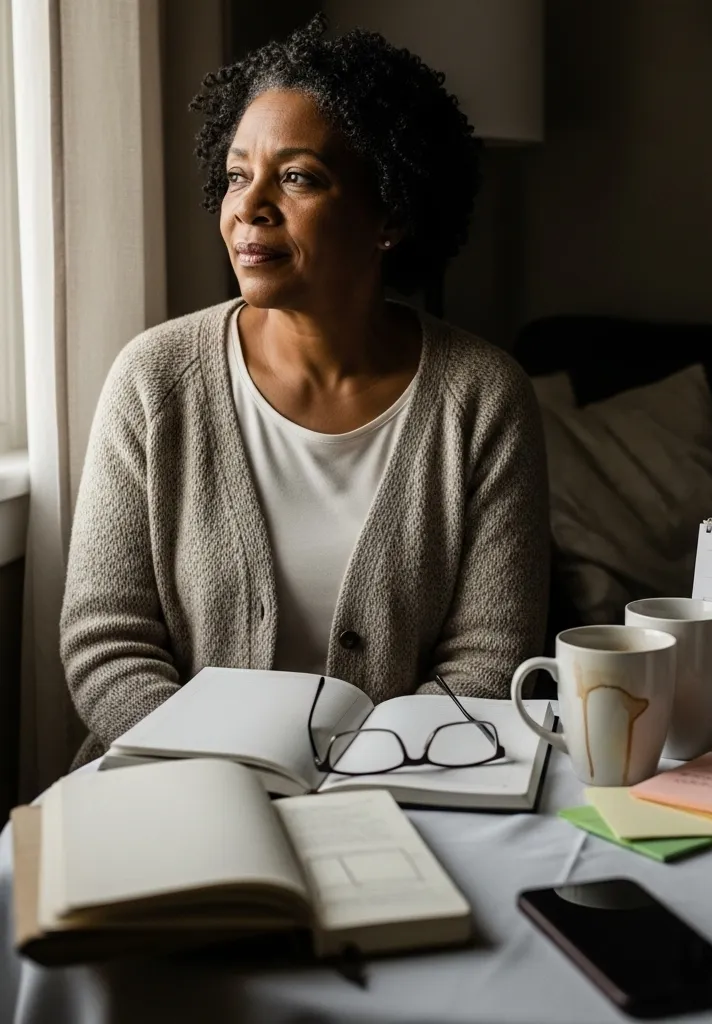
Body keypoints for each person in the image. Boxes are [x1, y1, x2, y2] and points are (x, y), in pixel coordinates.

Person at [60, 16, 549, 768]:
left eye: (296, 177)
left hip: (410, 789)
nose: (248, 207)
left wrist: (362, 773)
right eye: (235, 175)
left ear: (388, 214)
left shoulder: (483, 397)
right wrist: (227, 771)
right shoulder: (153, 381)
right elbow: (107, 640)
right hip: (170, 782)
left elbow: (487, 656)